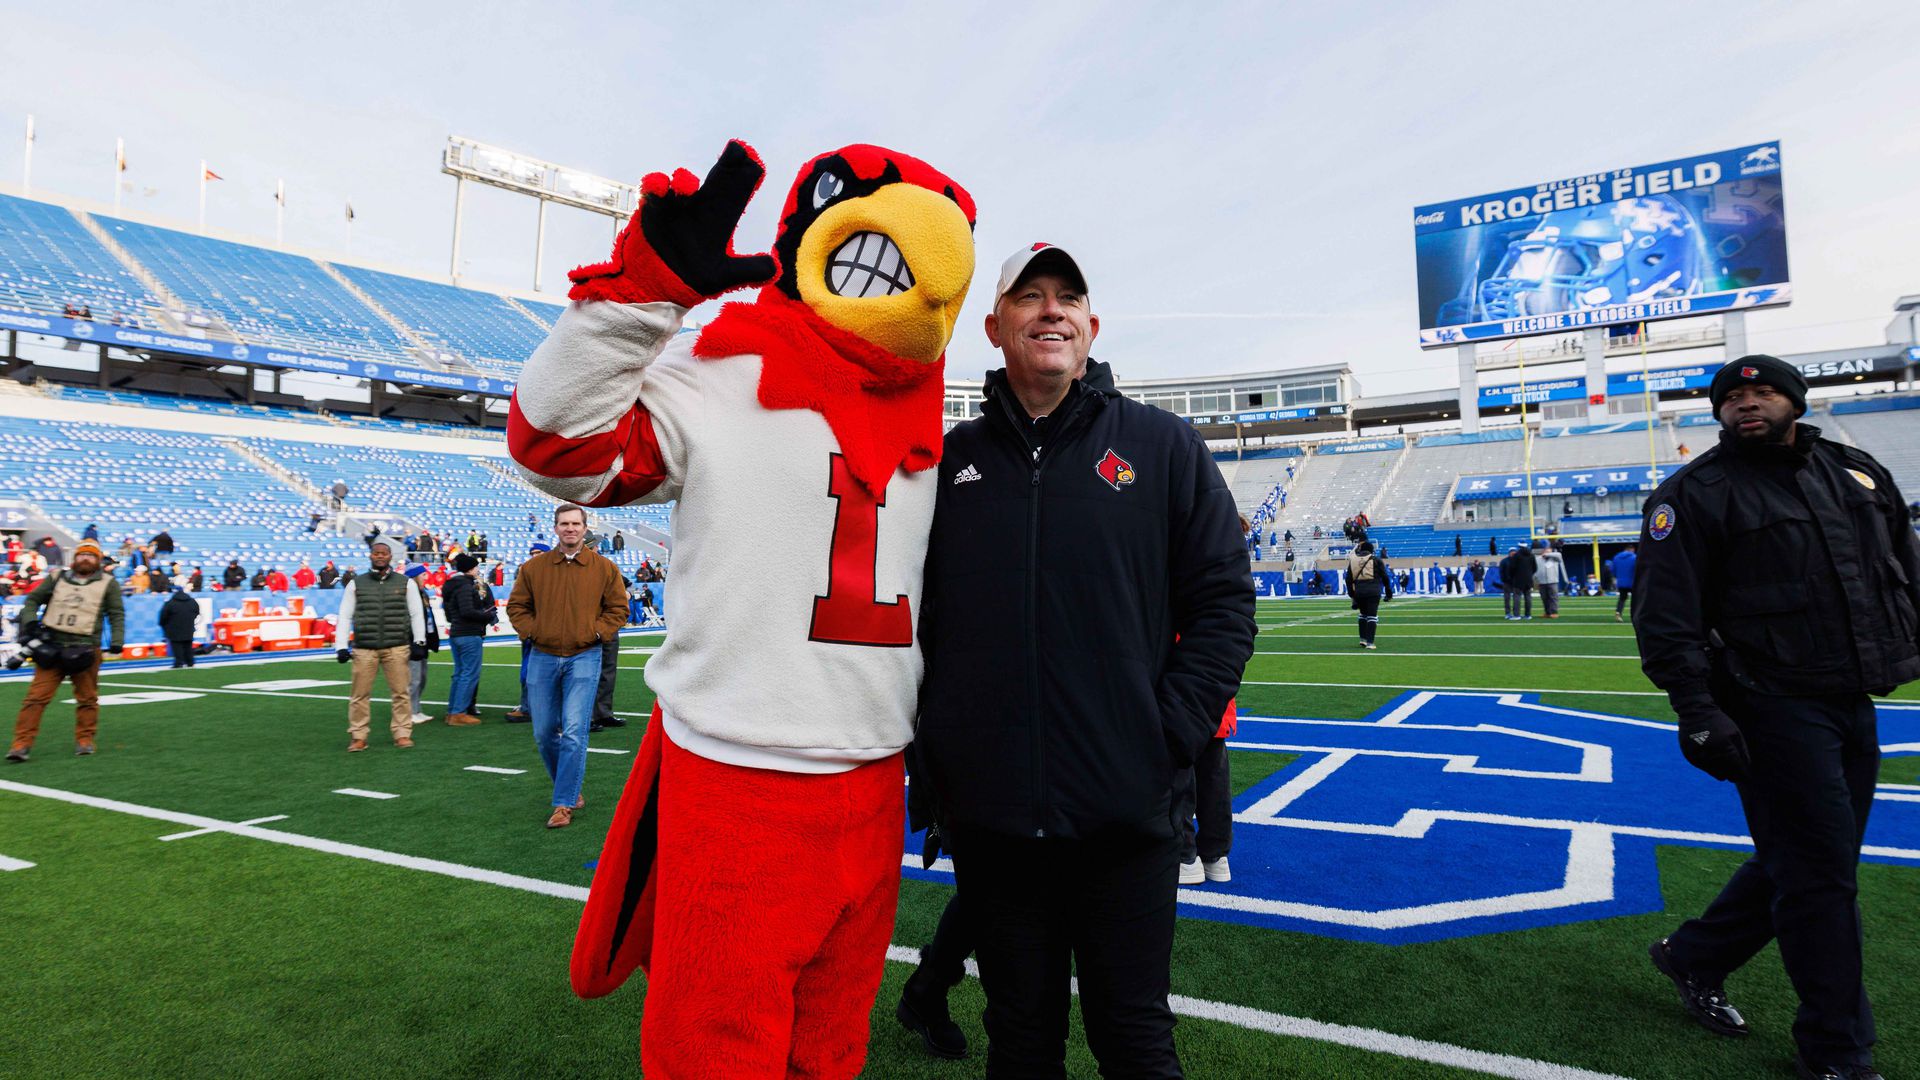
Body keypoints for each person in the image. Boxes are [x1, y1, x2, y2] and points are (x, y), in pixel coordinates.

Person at [910, 243, 1256, 1077]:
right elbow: (914, 621)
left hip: (1125, 815)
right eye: (1029, 296)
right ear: (994, 327)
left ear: (1091, 326)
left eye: (1067, 297)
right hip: (994, 821)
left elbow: (1223, 602)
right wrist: (944, 758)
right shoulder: (946, 463)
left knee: (1133, 1038)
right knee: (1020, 1040)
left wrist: (1163, 736)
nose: (1051, 310)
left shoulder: (1163, 446)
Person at [1633, 355, 1917, 1080]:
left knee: (1814, 859)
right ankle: (1837, 1052)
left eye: (1762, 391)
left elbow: (1902, 571)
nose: (1746, 403)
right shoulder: (1693, 493)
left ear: (1794, 400)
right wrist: (1697, 709)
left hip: (1851, 694)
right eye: (1732, 396)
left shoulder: (1855, 471)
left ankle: (1694, 954)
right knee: (1821, 880)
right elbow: (1665, 617)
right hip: (1766, 701)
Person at [504, 505, 625, 828]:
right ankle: (569, 788)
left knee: (574, 730)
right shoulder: (533, 567)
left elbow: (618, 608)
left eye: (575, 523)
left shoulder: (604, 568)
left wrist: (596, 632)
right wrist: (533, 632)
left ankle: (563, 803)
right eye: (564, 523)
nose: (570, 528)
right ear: (556, 528)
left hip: (584, 655)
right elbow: (517, 606)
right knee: (544, 732)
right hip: (542, 655)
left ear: (584, 528)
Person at [8, 539, 125, 762]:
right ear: (75, 557)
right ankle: (21, 744)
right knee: (35, 698)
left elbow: (116, 613)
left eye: (90, 555)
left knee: (87, 699)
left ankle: (85, 740)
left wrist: (117, 640)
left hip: (86, 647)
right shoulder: (56, 577)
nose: (85, 559)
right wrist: (31, 622)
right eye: (81, 555)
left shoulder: (108, 583)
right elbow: (33, 599)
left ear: (98, 560)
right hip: (51, 645)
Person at [332, 537, 427, 752]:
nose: (380, 556)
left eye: (384, 553)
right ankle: (358, 735)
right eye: (377, 553)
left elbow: (416, 614)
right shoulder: (356, 583)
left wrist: (419, 641)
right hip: (364, 648)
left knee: (401, 693)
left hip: (397, 646)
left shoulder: (406, 583)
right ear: (371, 556)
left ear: (390, 556)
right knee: (359, 695)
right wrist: (341, 646)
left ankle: (402, 733)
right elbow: (345, 615)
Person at [1175, 700, 1238, 884]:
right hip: (1216, 705)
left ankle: (1184, 855)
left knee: (1179, 773)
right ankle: (1215, 855)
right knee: (1214, 776)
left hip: (1181, 707)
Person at [441, 553, 495, 725]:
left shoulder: (452, 585)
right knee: (469, 673)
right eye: (476, 567)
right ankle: (458, 712)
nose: (478, 570)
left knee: (460, 673)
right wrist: (487, 616)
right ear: (471, 568)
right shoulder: (465, 586)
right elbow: (467, 611)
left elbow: (451, 613)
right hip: (469, 633)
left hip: (457, 632)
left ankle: (453, 710)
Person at [1345, 538, 1393, 649]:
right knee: (1372, 615)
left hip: (1359, 591)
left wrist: (1352, 594)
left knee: (1363, 614)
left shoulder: (1353, 561)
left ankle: (1363, 639)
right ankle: (1370, 643)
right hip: (1373, 590)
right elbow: (1385, 577)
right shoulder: (1376, 560)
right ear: (1371, 550)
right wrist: (1388, 592)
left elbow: (1348, 579)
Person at [159, 586, 199, 667]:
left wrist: (164, 625)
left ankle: (179, 663)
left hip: (174, 628)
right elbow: (197, 612)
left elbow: (163, 616)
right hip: (188, 627)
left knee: (176, 646)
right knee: (188, 645)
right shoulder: (192, 601)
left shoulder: (170, 603)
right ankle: (190, 662)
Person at [1502, 544, 1536, 620]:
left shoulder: (1516, 556)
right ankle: (1528, 615)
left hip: (1518, 580)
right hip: (1528, 580)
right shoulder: (1531, 555)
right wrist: (1529, 575)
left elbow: (1512, 568)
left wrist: (1514, 576)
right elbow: (1535, 568)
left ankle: (1517, 615)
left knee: (1517, 597)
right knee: (1528, 597)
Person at [1534, 541, 1565, 619]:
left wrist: (1547, 554)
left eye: (1548, 549)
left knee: (1553, 597)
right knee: (1544, 598)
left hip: (1552, 581)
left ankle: (1554, 612)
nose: (1547, 551)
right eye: (1545, 550)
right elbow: (1536, 570)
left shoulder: (1554, 558)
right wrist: (1537, 581)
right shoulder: (1538, 559)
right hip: (1542, 582)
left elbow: (1559, 555)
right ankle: (1547, 612)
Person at [1611, 543, 1637, 622]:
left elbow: (1613, 570)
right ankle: (1635, 615)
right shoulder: (1634, 557)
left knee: (1622, 599)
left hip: (1621, 582)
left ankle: (1618, 613)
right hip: (1633, 581)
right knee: (1636, 599)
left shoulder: (1616, 557)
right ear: (1632, 549)